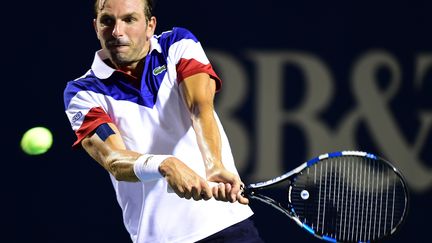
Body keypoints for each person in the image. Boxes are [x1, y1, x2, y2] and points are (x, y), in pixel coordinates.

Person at [63, 0, 263, 242]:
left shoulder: (177, 45)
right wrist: (165, 164)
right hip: (159, 237)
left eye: (129, 19)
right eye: (107, 21)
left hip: (227, 225)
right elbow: (114, 159)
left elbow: (200, 107)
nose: (117, 32)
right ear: (96, 27)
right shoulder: (82, 92)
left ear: (150, 25)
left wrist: (215, 165)